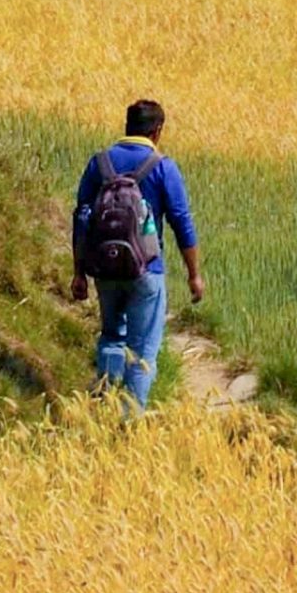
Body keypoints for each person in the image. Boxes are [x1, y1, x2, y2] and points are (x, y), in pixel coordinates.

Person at [72, 99, 204, 413]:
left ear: (127, 126)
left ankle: (103, 406)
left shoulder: (100, 163)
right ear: (157, 131)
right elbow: (181, 221)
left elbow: (81, 218)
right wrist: (193, 274)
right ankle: (129, 422)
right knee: (143, 350)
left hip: (105, 269)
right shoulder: (162, 166)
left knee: (111, 337)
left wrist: (79, 272)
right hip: (147, 271)